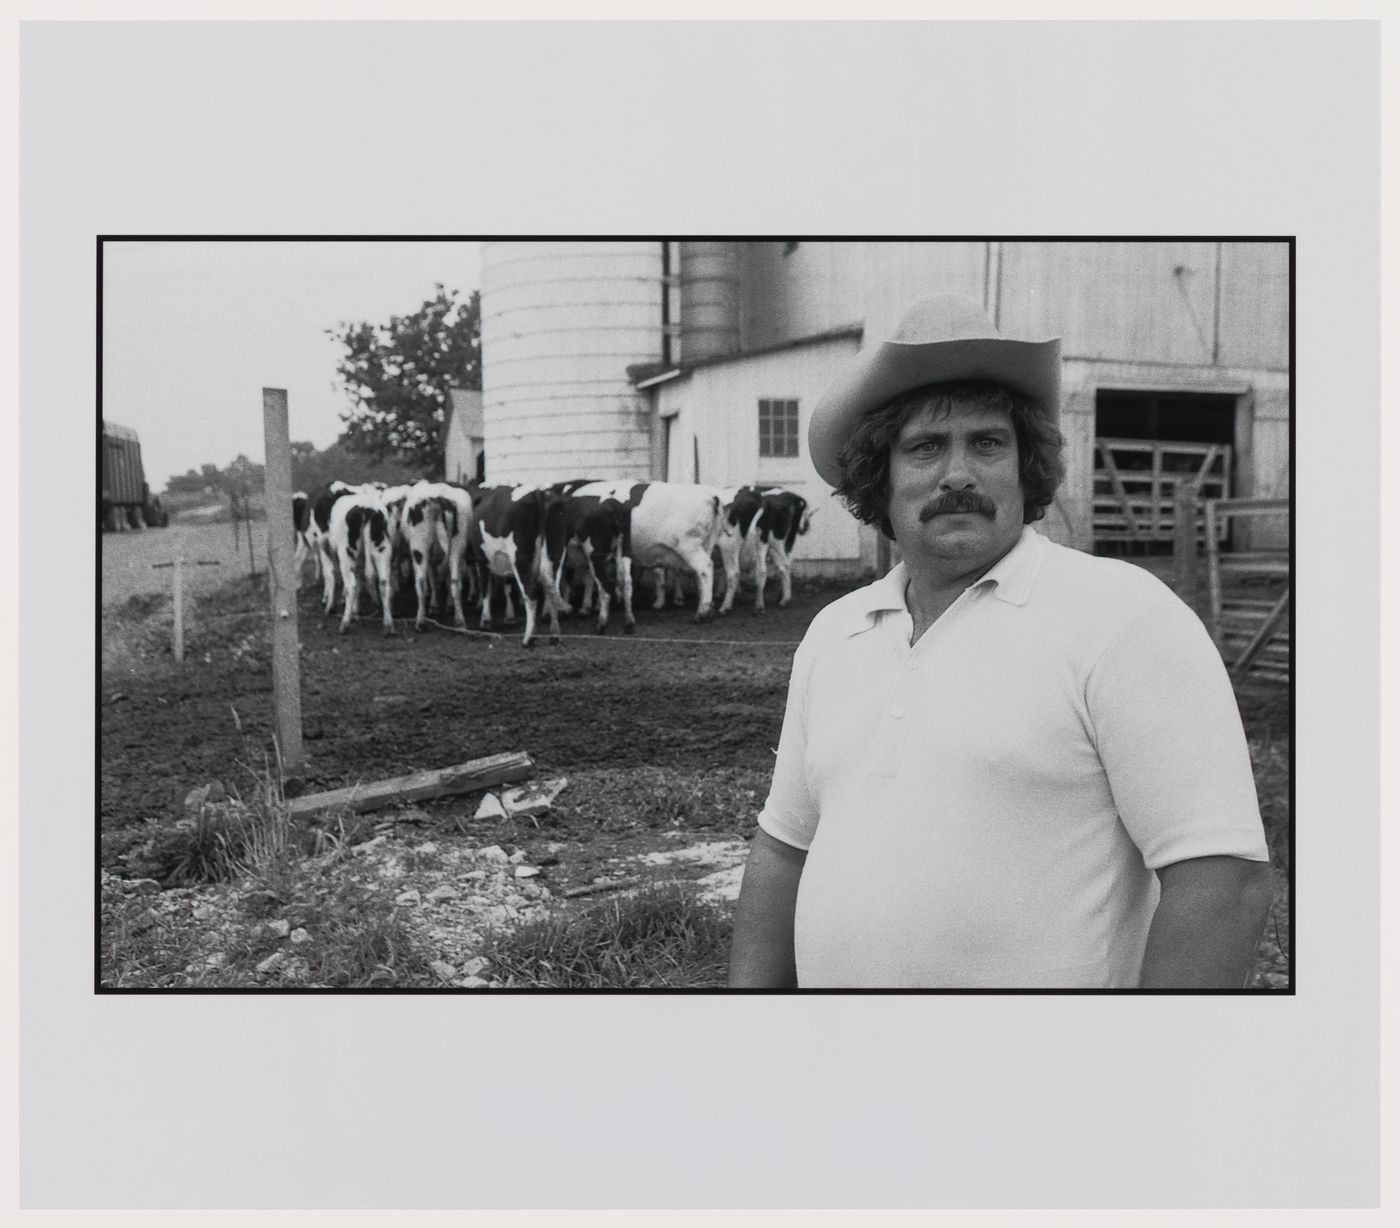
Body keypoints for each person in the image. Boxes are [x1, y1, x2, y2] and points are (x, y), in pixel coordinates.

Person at [728, 293, 1274, 989]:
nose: (959, 473)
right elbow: (783, 851)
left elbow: (1222, 881)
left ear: (1026, 467)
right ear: (879, 476)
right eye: (926, 447)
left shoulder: (1123, 618)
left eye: (987, 443)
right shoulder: (834, 634)